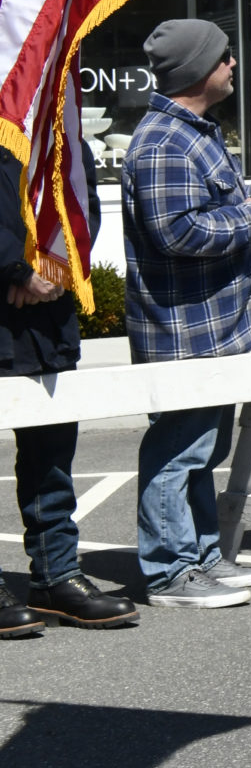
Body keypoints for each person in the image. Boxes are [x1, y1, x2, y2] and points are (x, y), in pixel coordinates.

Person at [122, 19, 251, 609]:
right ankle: (170, 573)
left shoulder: (193, 133)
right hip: (186, 329)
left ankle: (200, 558)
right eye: (223, 57)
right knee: (179, 448)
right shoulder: (167, 141)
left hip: (214, 326)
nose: (233, 64)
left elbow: (196, 216)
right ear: (197, 70)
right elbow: (176, 232)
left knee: (203, 448)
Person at [1, 148, 140, 633]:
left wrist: (57, 271)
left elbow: (81, 207)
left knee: (51, 464)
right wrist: (15, 271)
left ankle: (56, 577)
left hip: (49, 323)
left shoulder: (57, 123)